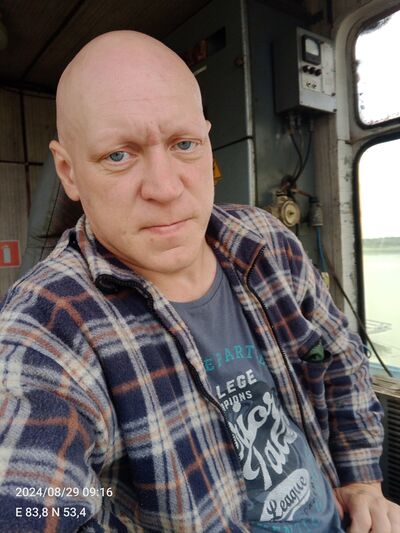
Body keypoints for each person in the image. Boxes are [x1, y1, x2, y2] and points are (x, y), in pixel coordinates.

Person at [0, 30, 398, 533]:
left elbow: (339, 355)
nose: (166, 188)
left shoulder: (265, 243)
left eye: (184, 144)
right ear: (69, 171)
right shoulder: (47, 323)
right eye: (118, 155)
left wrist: (361, 479)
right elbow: (32, 502)